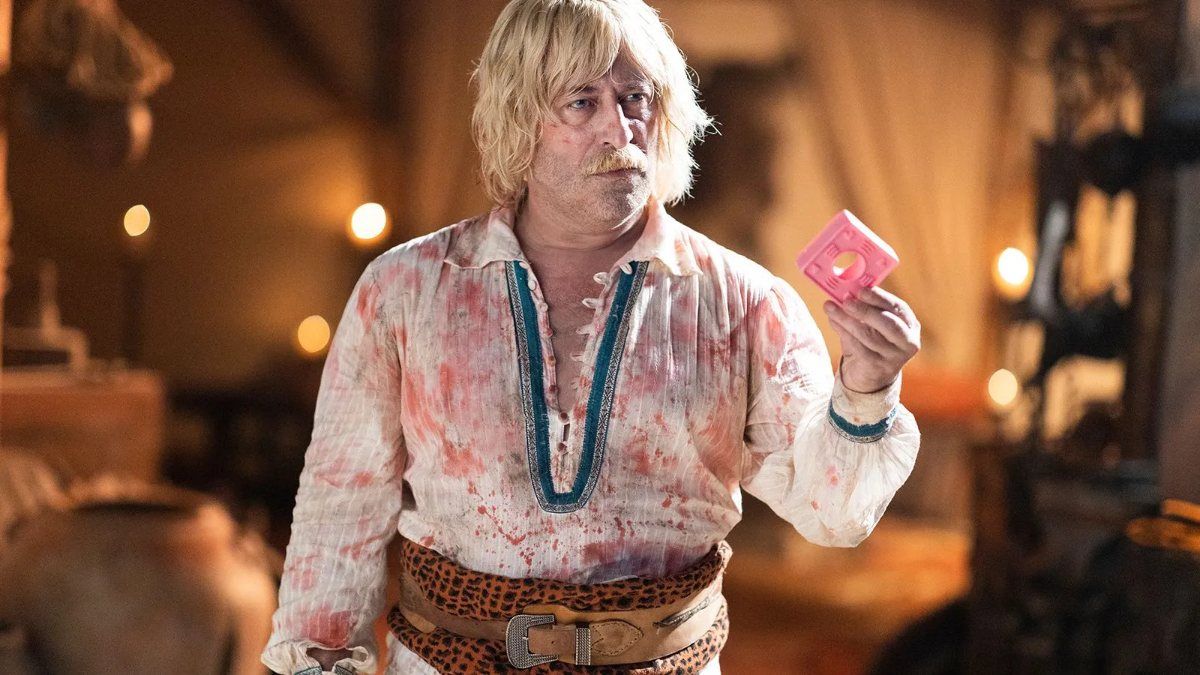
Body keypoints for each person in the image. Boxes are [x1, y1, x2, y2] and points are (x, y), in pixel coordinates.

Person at [261, 0, 922, 673]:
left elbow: (833, 511)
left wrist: (867, 387)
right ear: (519, 120)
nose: (620, 127)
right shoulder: (408, 287)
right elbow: (341, 505)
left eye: (636, 98)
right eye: (582, 103)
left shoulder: (745, 302)